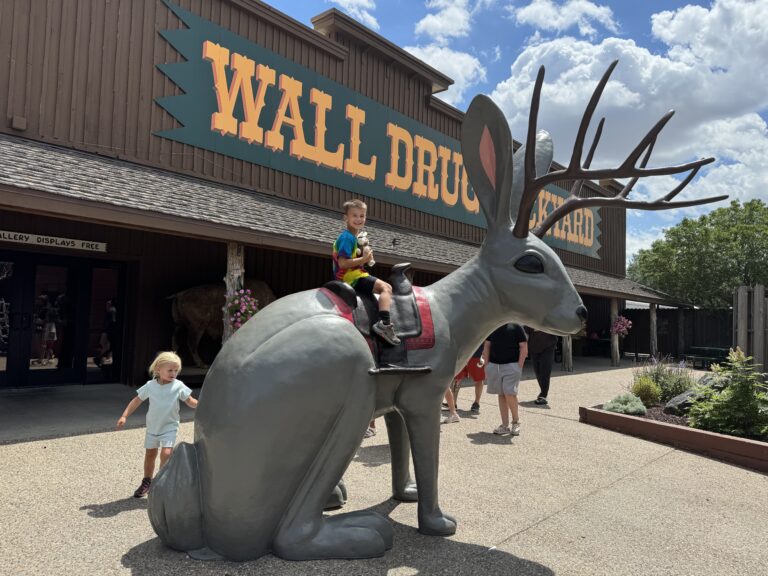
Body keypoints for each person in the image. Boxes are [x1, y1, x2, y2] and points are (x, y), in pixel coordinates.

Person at [116, 351, 198, 498]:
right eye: (170, 370)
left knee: (166, 453)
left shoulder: (178, 386)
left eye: (176, 370)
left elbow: (190, 401)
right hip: (153, 426)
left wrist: (203, 405)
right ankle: (146, 481)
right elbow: (136, 400)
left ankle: (160, 481)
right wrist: (124, 415)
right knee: (150, 454)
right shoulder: (150, 386)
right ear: (158, 369)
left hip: (169, 426)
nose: (173, 373)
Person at [332, 199, 399, 345]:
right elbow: (343, 263)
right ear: (346, 218)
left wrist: (365, 257)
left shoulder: (355, 237)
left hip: (356, 275)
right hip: (351, 278)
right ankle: (384, 323)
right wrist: (364, 259)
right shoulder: (347, 238)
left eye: (362, 216)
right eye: (354, 215)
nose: (358, 219)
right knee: (386, 288)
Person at [482, 323, 527, 436]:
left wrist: (519, 365)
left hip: (512, 365)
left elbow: (523, 346)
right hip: (494, 365)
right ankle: (504, 425)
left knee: (509, 392)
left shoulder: (517, 326)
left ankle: (516, 422)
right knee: (501, 394)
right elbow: (487, 345)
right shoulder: (492, 325)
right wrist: (486, 365)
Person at [525, 326, 558, 405]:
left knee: (545, 369)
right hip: (534, 345)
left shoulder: (550, 315)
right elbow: (526, 329)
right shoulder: (532, 316)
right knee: (538, 371)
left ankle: (543, 395)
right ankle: (543, 391)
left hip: (548, 345)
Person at [450, 344, 486, 415]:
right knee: (456, 378)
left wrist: (484, 355)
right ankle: (453, 403)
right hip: (461, 354)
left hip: (476, 354)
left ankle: (476, 403)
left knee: (478, 379)